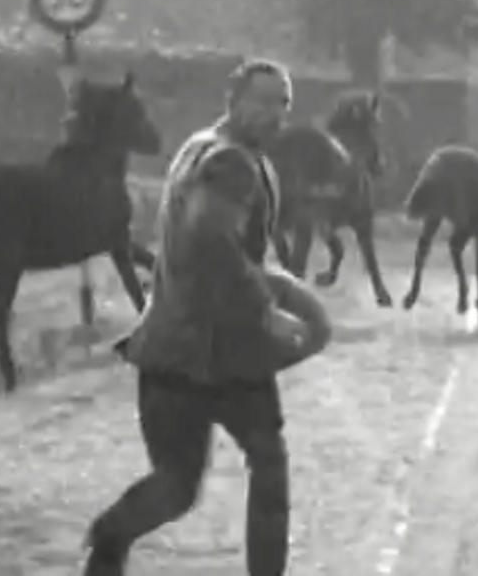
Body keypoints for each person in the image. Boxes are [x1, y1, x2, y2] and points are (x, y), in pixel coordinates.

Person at [84, 58, 333, 576]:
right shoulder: (230, 163)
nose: (273, 114)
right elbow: (208, 239)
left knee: (179, 486)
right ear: (233, 100)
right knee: (257, 469)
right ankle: (110, 538)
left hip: (172, 351)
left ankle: (109, 539)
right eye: (261, 101)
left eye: (282, 103)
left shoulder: (200, 148)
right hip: (216, 354)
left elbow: (226, 245)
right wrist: (266, 313)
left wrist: (275, 284)